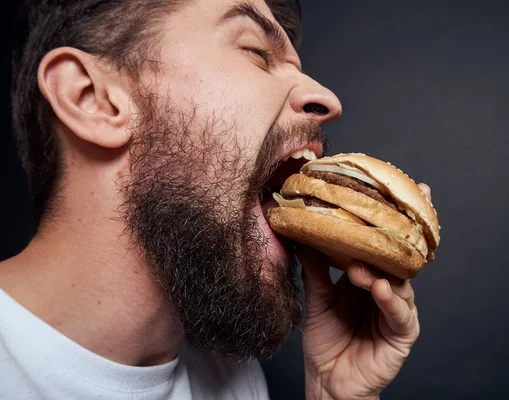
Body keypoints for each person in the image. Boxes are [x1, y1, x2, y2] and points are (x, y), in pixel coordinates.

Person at [0, 0, 431, 398]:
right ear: (92, 100)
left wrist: (334, 395)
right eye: (257, 53)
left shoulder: (229, 377)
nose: (327, 99)